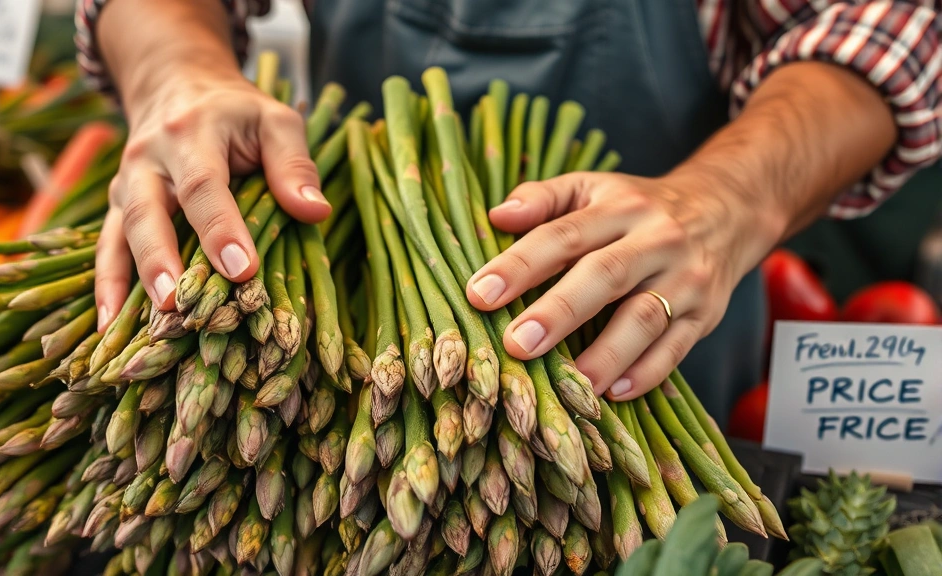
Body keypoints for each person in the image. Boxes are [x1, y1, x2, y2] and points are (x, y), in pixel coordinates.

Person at [76, 0, 942, 424]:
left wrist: (729, 197)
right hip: (341, 308)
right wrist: (171, 71)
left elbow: (887, 25)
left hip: (653, 324)